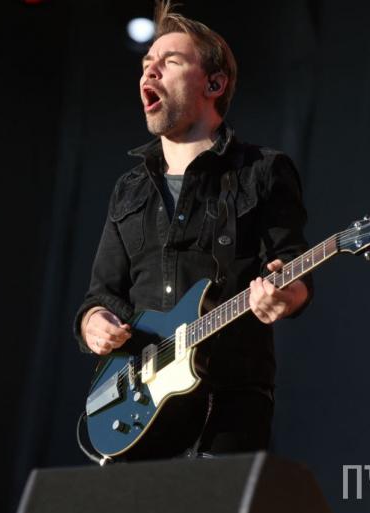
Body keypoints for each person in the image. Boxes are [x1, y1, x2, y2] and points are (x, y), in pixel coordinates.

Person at [74, 1, 312, 457]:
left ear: (214, 84)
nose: (150, 72)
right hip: (139, 407)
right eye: (147, 64)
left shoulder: (262, 171)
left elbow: (295, 270)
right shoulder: (129, 189)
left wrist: (285, 293)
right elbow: (100, 296)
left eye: (170, 62)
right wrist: (94, 325)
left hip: (229, 403)